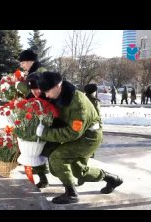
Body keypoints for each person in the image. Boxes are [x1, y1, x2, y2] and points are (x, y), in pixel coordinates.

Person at [36, 71, 123, 204]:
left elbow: (73, 132)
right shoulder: (58, 96)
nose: (46, 95)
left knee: (57, 157)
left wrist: (45, 133)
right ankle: (112, 179)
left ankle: (71, 193)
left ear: (58, 85)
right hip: (79, 135)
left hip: (89, 137)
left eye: (47, 91)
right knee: (79, 171)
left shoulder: (77, 102)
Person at [19, 49, 49, 188]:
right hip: (39, 111)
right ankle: (43, 176)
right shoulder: (36, 71)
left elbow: (35, 93)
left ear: (31, 61)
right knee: (36, 147)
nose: (22, 66)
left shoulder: (37, 73)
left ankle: (43, 177)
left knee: (34, 146)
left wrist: (17, 83)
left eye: (23, 63)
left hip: (41, 113)